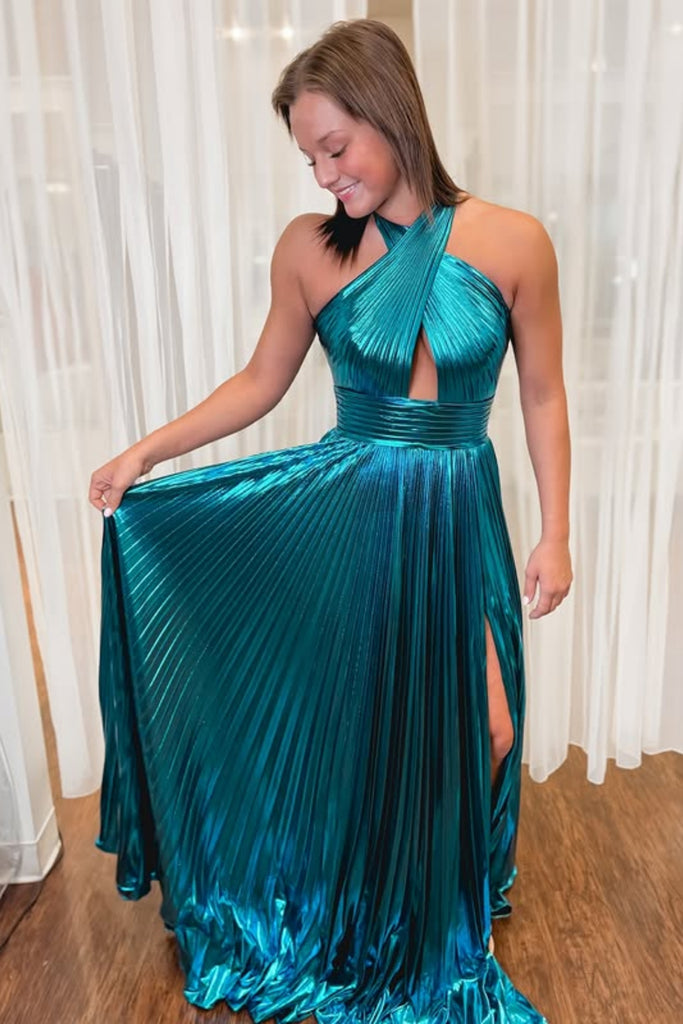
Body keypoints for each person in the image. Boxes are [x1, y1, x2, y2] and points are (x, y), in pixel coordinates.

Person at [89, 17, 572, 1024]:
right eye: (308, 157)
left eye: (335, 146)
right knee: (366, 734)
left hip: (457, 515)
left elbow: (541, 394)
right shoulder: (310, 251)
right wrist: (146, 452)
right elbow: (259, 382)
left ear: (390, 115)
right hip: (352, 521)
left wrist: (556, 531)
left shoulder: (514, 240)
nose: (322, 175)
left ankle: (432, 911)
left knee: (485, 727)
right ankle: (375, 918)